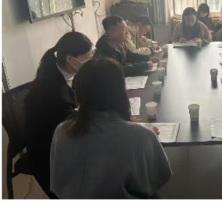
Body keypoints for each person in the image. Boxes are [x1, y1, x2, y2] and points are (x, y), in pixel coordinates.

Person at [49, 58, 172, 198]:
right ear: (120, 90)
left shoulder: (61, 131)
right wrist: (148, 140)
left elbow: (57, 182)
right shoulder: (141, 137)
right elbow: (157, 180)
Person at [24, 32, 93, 197]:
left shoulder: (59, 73)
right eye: (87, 57)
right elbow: (73, 129)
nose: (90, 61)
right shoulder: (52, 91)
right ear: (70, 59)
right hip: (50, 155)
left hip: (60, 136)